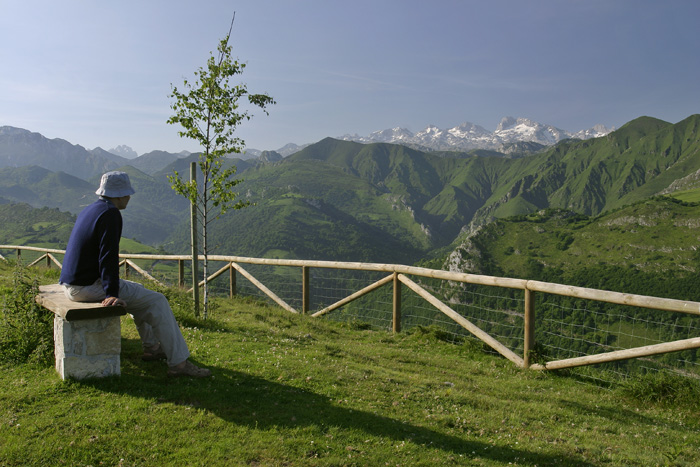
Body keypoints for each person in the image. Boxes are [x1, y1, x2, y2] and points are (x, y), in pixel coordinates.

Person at [59, 171, 211, 378]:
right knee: (157, 301)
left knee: (139, 292)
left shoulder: (92, 209)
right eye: (127, 194)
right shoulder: (111, 214)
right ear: (119, 195)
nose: (129, 198)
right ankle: (179, 364)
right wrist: (111, 293)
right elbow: (108, 257)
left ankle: (152, 347)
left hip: (73, 284)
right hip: (86, 287)